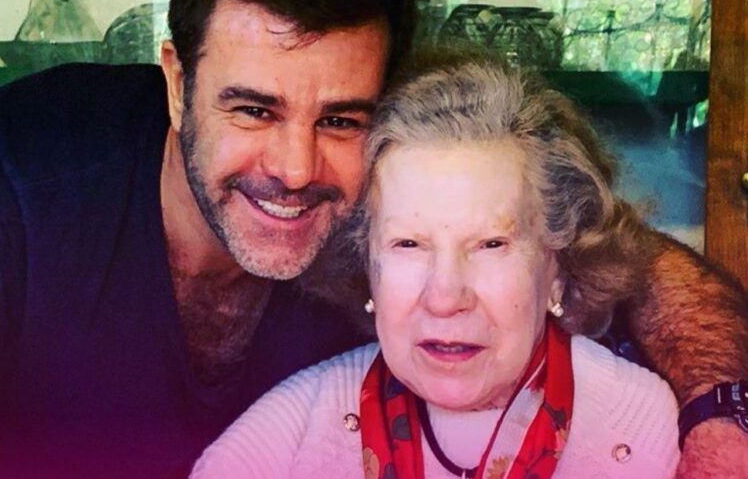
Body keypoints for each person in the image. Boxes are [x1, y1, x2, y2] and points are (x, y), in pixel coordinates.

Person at [0, 0, 744, 479]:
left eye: (340, 119)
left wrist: (719, 417)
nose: (295, 169)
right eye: (254, 109)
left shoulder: (375, 203)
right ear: (179, 85)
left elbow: (622, 256)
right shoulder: (22, 186)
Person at [191, 52, 684, 478]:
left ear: (557, 267)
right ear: (367, 270)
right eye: (408, 244)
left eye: (491, 244)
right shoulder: (286, 438)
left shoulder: (640, 425)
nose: (446, 297)